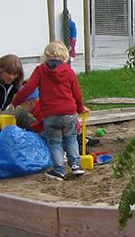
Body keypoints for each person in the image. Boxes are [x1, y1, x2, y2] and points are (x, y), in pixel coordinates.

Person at [13, 41, 88, 180]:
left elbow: (29, 88)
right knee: (71, 138)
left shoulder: (40, 70)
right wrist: (80, 108)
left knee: (55, 141)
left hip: (51, 114)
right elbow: (76, 92)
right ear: (65, 56)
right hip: (69, 113)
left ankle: (59, 170)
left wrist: (16, 102)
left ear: (46, 56)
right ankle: (76, 165)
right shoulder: (68, 71)